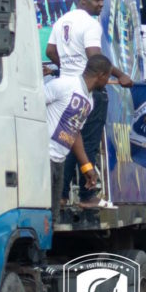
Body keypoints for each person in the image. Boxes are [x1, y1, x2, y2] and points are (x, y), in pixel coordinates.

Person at [46, 0, 134, 209]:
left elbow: (50, 52)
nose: (101, 4)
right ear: (82, 0)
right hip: (86, 89)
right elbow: (95, 57)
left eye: (102, 0)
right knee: (88, 143)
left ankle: (62, 195)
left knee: (66, 140)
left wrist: (66, 68)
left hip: (67, 84)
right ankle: (87, 197)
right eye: (97, 0)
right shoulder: (90, 24)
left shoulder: (61, 20)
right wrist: (120, 74)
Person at [45, 55, 111, 222]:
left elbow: (75, 132)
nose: (108, 82)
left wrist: (86, 166)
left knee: (52, 218)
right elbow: (32, 104)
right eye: (108, 77)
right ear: (101, 75)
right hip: (42, 158)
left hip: (58, 162)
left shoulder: (89, 101)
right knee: (40, 217)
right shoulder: (64, 85)